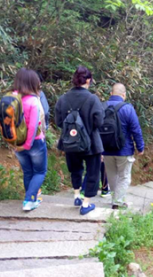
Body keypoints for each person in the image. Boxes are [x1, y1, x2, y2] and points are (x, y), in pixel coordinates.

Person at [55, 66, 104, 215]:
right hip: (91, 143)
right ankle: (86, 203)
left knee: (75, 169)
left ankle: (77, 195)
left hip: (70, 141)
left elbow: (58, 121)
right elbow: (99, 122)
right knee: (93, 171)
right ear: (88, 80)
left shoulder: (63, 99)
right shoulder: (93, 99)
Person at [103, 83, 145, 209]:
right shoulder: (128, 108)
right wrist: (140, 147)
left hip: (106, 150)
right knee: (124, 176)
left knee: (112, 175)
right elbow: (136, 130)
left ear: (111, 94)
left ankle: (115, 200)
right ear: (124, 95)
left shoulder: (102, 107)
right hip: (124, 150)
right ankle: (118, 202)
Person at [12, 68, 47, 211]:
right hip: (34, 142)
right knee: (39, 172)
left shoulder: (11, 98)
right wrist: (27, 144)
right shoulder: (33, 101)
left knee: (27, 172)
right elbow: (33, 126)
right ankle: (29, 200)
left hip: (16, 142)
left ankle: (30, 198)